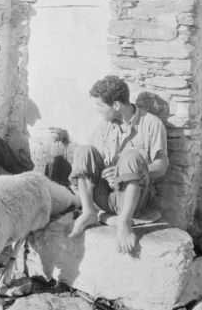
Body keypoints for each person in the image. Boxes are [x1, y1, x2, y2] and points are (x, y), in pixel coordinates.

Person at [67, 75, 169, 254]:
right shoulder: (104, 126)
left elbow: (161, 167)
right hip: (106, 196)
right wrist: (107, 173)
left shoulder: (152, 124)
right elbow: (90, 164)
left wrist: (125, 172)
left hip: (135, 199)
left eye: (100, 105)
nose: (97, 110)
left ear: (116, 105)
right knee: (83, 150)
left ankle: (124, 222)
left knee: (130, 157)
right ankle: (89, 212)